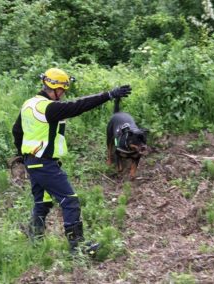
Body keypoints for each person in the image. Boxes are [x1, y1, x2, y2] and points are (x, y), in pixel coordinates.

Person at [12, 67, 131, 254]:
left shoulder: (29, 104)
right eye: (63, 90)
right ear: (55, 88)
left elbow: (17, 131)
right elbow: (78, 105)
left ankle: (35, 239)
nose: (64, 94)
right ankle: (78, 247)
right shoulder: (49, 108)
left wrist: (22, 155)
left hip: (32, 162)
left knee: (42, 202)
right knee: (70, 200)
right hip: (44, 163)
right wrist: (108, 95)